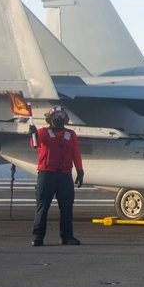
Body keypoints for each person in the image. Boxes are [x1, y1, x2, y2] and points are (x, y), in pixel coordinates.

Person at [30, 104, 84, 246]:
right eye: (56, 116)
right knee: (42, 206)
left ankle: (67, 236)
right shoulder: (42, 133)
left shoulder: (70, 134)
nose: (59, 119)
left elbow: (75, 153)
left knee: (67, 207)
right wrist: (33, 134)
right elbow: (35, 144)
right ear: (50, 118)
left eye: (61, 116)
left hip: (65, 175)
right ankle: (38, 237)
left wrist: (80, 170)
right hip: (47, 174)